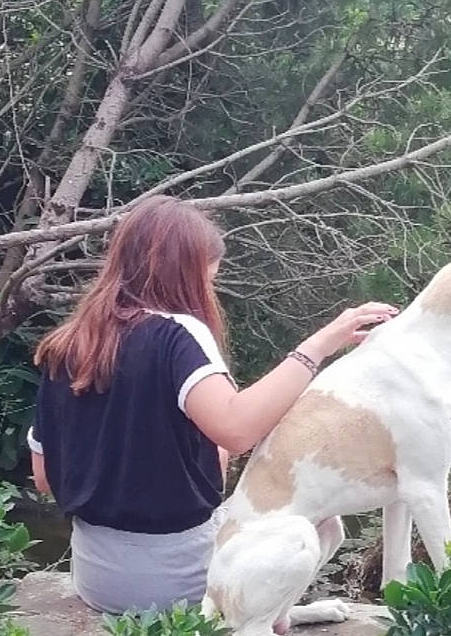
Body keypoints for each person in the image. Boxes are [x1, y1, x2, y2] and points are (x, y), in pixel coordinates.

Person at [27, 196, 397, 614]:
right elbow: (237, 430)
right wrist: (322, 343)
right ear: (185, 274)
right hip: (179, 584)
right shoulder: (177, 333)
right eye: (208, 280)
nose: (209, 291)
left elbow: (43, 478)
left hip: (97, 580)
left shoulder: (66, 343)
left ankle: (273, 613)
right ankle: (260, 619)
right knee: (322, 526)